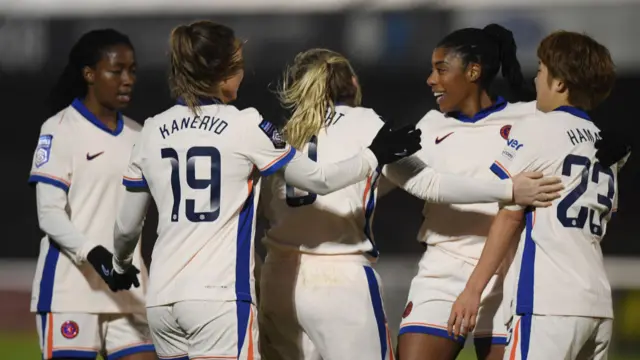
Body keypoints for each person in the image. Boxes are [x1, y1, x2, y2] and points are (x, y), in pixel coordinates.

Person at [109, 20, 421, 360]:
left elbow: (126, 228)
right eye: (240, 64)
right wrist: (374, 155)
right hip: (218, 298)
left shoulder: (151, 131)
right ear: (225, 72)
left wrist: (122, 265)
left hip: (162, 299)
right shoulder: (246, 125)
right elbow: (318, 179)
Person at [257, 48, 562, 360]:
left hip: (278, 280)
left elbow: (269, 205)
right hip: (340, 281)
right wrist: (507, 189)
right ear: (352, 80)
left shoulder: (280, 135)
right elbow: (429, 183)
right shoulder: (364, 123)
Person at [448, 30, 624, 360]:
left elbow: (509, 211)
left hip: (549, 303)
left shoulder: (539, 127)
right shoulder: (604, 143)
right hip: (597, 305)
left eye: (541, 69)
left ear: (560, 83)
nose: (535, 77)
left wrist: (473, 290)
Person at [397, 24, 538, 360]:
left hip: (509, 274)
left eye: (441, 69)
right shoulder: (429, 126)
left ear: (473, 71)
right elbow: (385, 179)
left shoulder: (528, 121)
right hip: (442, 272)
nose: (431, 79)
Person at [27, 29, 155, 360]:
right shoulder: (58, 129)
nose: (127, 79)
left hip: (129, 291)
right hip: (71, 291)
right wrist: (96, 255)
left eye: (133, 70)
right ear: (89, 74)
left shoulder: (140, 135)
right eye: (117, 70)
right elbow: (50, 215)